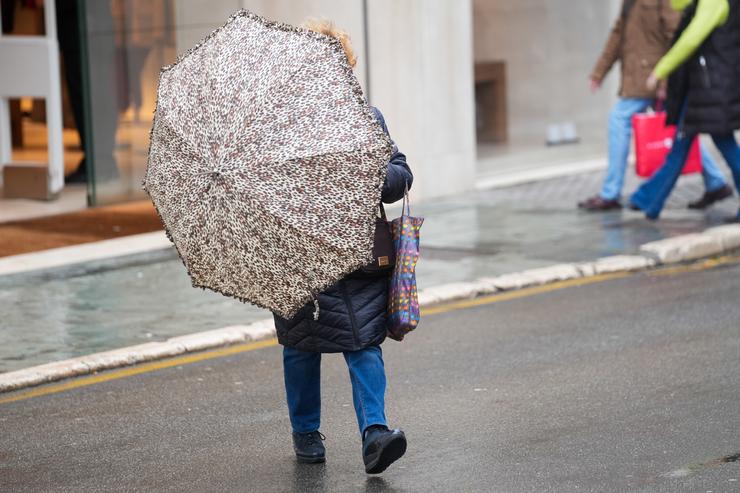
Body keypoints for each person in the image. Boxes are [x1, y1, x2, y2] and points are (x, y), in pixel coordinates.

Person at [272, 19, 412, 474]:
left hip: (359, 256)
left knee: (364, 342)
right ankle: (306, 431)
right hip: (302, 256)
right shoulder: (281, 129)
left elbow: (400, 173)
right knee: (300, 346)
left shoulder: (367, 119)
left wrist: (370, 174)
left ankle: (375, 435)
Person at [578, 0, 731, 211]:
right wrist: (598, 72)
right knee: (684, 134)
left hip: (657, 76)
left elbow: (680, 36)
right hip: (650, 76)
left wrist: (665, 77)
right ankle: (713, 182)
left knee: (622, 119)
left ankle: (617, 193)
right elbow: (618, 35)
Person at [629, 0, 740, 220]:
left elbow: (690, 40)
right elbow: (679, 5)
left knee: (693, 147)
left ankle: (648, 200)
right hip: (704, 89)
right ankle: (648, 200)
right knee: (696, 146)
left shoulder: (714, 2)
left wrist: (660, 70)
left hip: (711, 90)